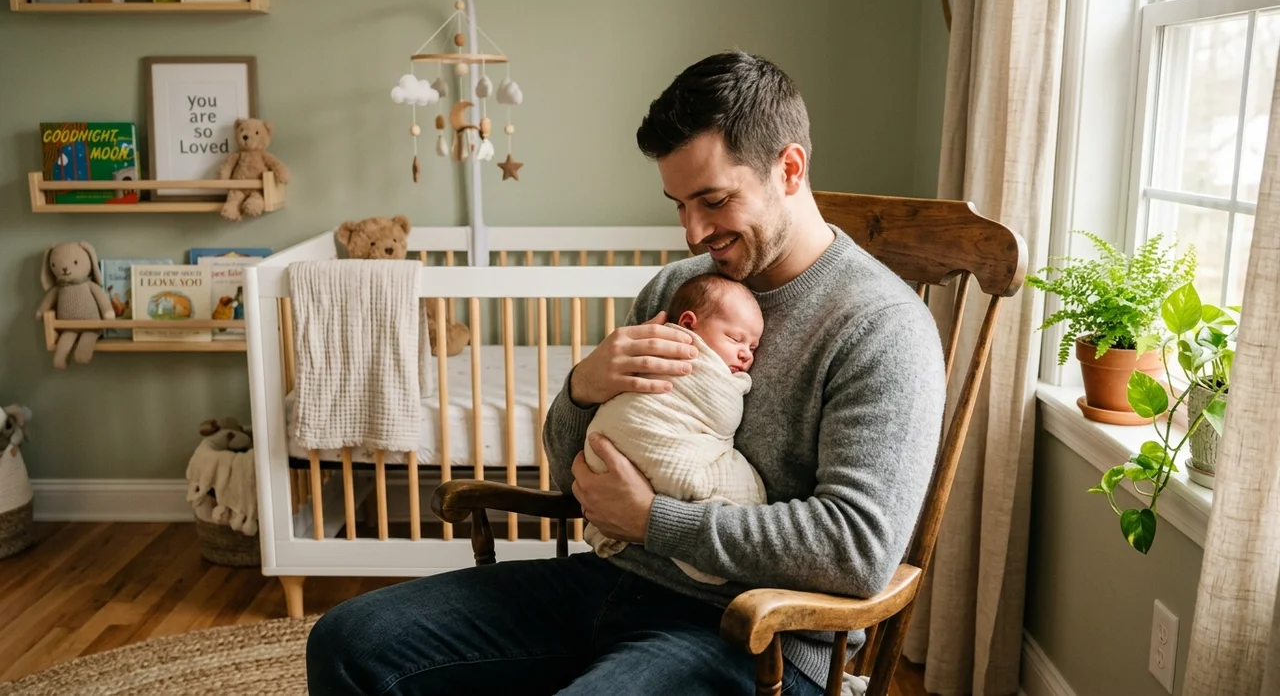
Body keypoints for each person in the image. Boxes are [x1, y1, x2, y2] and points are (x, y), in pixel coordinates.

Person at [306, 49, 946, 696]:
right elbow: (573, 474)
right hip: (612, 580)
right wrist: (583, 389)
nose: (693, 233)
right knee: (348, 643)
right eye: (678, 204)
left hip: (755, 633)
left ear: (790, 168)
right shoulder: (678, 290)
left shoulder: (880, 328)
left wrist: (652, 522)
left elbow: (856, 551)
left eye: (714, 200)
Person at [582, 272, 768, 586]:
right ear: (686, 325)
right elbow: (723, 415)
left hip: (715, 610)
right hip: (609, 573)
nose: (746, 354)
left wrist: (647, 517)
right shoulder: (662, 321)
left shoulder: (867, 316)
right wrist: (583, 382)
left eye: (753, 346)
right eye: (735, 339)